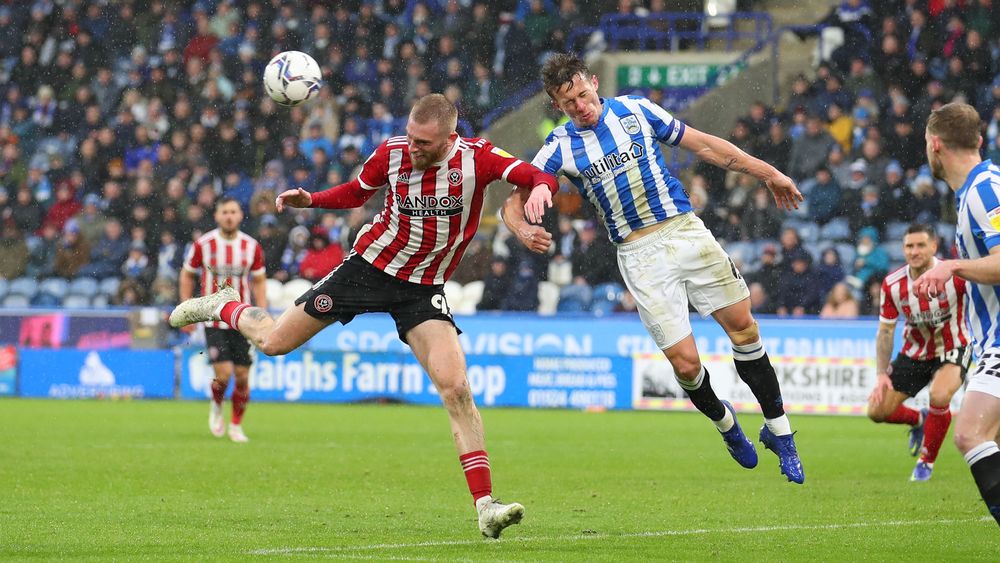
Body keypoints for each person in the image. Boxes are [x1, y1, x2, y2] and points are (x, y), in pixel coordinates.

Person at [169, 94, 557, 538]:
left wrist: (541, 191)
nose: (413, 147)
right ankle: (223, 304)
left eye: (424, 142)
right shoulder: (392, 153)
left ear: (451, 138)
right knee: (274, 343)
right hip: (367, 269)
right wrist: (311, 199)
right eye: (411, 136)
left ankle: (486, 506)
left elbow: (535, 174)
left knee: (456, 388)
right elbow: (358, 191)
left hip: (421, 289)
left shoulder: (479, 158)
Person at [503, 53, 806, 483]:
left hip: (684, 231)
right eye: (569, 104)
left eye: (584, 96)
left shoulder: (636, 110)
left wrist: (767, 172)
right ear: (557, 104)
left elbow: (703, 144)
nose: (581, 107)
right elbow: (513, 202)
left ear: (593, 82)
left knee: (745, 329)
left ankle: (780, 432)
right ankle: (726, 424)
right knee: (685, 365)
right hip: (639, 255)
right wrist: (522, 229)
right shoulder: (559, 146)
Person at [913, 102, 1000, 525]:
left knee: (971, 433)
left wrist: (951, 266)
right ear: (978, 140)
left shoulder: (987, 190)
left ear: (935, 145)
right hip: (987, 339)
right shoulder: (973, 192)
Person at [868, 224, 969, 481]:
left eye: (921, 245)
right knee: (876, 411)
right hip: (914, 353)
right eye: (909, 246)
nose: (914, 251)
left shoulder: (955, 275)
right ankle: (919, 420)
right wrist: (881, 374)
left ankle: (926, 462)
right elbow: (886, 332)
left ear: (934, 246)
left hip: (953, 347)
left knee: (939, 394)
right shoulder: (892, 284)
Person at [179, 196, 267, 443]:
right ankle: (217, 407)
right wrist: (187, 308)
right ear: (217, 216)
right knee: (224, 374)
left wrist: (262, 314)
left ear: (240, 215)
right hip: (213, 320)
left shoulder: (252, 246)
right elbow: (187, 275)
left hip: (244, 320)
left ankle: (236, 425)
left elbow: (259, 282)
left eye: (233, 211)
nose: (229, 216)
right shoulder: (203, 244)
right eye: (224, 212)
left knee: (242, 376)